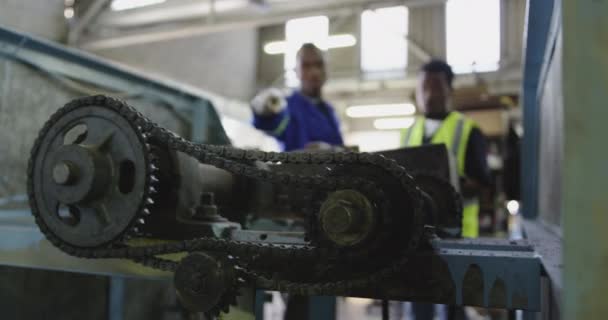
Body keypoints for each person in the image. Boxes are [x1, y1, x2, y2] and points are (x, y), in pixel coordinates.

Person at [403, 60, 491, 320]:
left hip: (457, 239)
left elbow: (484, 187)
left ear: (450, 90)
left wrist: (451, 184)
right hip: (415, 240)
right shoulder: (407, 134)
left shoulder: (468, 131)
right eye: (423, 87)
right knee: (417, 303)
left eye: (436, 87)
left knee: (453, 307)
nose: (429, 94)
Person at [251, 43, 343, 151]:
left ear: (327, 69)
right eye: (306, 66)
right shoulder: (287, 107)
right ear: (296, 71)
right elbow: (272, 124)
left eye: (319, 64)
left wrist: (332, 150)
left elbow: (338, 145)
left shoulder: (329, 112)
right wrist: (263, 112)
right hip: (294, 168)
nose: (314, 72)